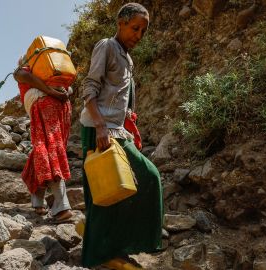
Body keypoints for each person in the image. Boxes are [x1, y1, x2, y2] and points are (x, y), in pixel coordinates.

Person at [79, 3, 163, 268]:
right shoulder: (106, 46)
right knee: (104, 194)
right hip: (98, 129)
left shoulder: (128, 58)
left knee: (146, 178)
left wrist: (130, 124)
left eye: (143, 31)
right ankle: (99, 256)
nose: (138, 35)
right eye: (135, 28)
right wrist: (101, 125)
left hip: (118, 131)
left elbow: (124, 100)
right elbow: (89, 88)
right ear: (121, 23)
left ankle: (117, 246)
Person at [14, 56, 74, 223]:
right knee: (48, 148)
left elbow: (21, 75)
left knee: (49, 149)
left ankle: (62, 206)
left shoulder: (24, 71)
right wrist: (57, 92)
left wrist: (51, 92)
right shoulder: (53, 71)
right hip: (63, 107)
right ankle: (38, 200)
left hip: (45, 105)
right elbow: (69, 89)